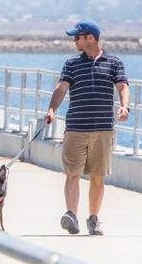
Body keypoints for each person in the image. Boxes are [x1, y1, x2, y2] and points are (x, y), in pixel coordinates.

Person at [44, 21, 129, 236]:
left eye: (77, 37)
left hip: (103, 129)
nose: (74, 41)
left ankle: (93, 218)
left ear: (90, 38)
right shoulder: (71, 64)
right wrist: (52, 109)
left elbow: (122, 85)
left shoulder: (114, 62)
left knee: (98, 176)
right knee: (72, 173)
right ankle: (71, 215)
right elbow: (61, 88)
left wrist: (124, 106)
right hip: (75, 128)